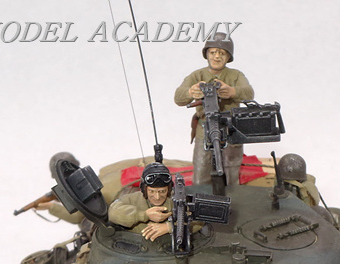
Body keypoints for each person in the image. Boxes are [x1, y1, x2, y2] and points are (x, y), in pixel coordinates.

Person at [173, 32, 253, 186]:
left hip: (230, 130)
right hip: (205, 130)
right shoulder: (197, 76)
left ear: (228, 57)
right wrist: (191, 92)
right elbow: (178, 97)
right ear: (207, 54)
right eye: (213, 52)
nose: (217, 57)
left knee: (231, 174)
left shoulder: (235, 75)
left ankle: (232, 199)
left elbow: (249, 93)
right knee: (201, 173)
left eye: (222, 53)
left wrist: (232, 91)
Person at [107, 162, 174, 241]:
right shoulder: (134, 199)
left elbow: (187, 221)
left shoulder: (177, 199)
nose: (157, 197)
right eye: (151, 191)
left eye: (162, 191)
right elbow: (113, 212)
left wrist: (169, 227)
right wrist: (144, 215)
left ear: (169, 189)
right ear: (144, 189)